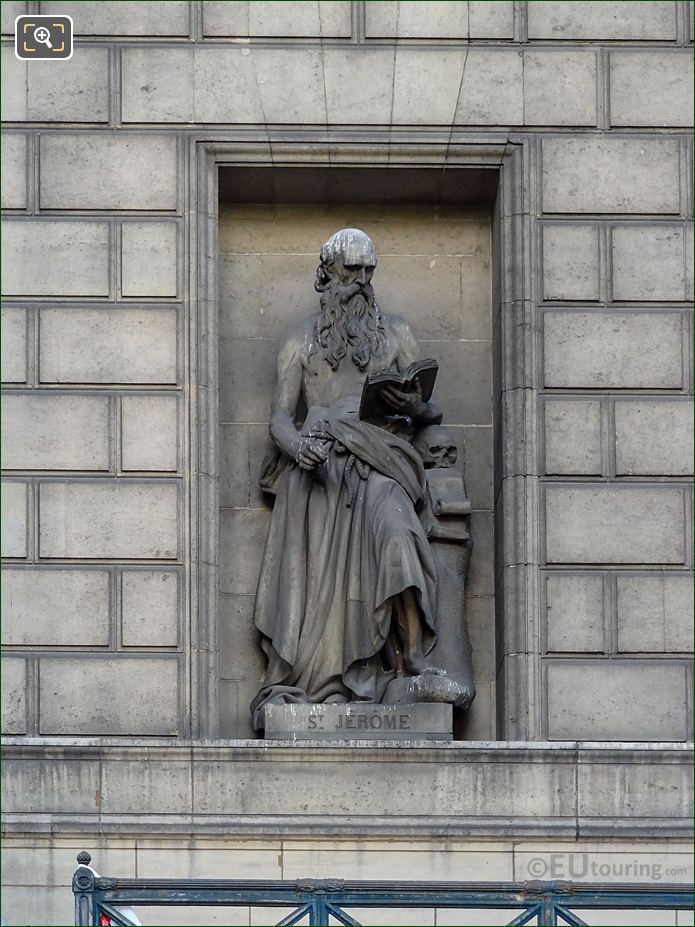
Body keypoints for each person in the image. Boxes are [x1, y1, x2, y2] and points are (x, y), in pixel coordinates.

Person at [250, 228, 445, 730]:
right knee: (315, 585)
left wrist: (417, 407)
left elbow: (429, 407)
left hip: (381, 463)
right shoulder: (300, 340)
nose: (360, 281)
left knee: (400, 537)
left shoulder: (396, 333)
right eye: (350, 270)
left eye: (368, 271)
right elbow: (278, 417)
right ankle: (318, 677)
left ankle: (410, 660)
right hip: (319, 470)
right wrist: (298, 447)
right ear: (327, 274)